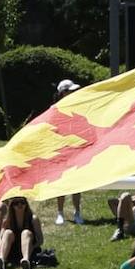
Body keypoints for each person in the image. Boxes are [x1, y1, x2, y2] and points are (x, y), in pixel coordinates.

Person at [52, 80, 84, 225]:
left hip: (75, 147)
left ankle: (77, 212)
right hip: (61, 148)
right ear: (62, 93)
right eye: (70, 91)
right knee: (61, 181)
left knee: (76, 181)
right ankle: (60, 213)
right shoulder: (54, 109)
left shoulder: (78, 107)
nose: (73, 93)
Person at [0, 195, 43, 269]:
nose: (20, 205)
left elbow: (40, 240)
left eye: (22, 202)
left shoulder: (33, 219)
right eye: (16, 203)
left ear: (26, 204)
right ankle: (2, 259)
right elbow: (1, 237)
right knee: (8, 233)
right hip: (13, 249)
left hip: (29, 248)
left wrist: (32, 246)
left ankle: (26, 261)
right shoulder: (7, 219)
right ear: (12, 206)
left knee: (26, 232)